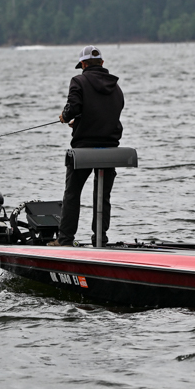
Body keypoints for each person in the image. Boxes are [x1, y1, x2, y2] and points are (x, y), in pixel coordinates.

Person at [48, 45, 124, 246]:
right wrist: (82, 121)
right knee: (103, 196)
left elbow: (73, 108)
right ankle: (100, 239)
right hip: (110, 148)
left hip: (84, 148)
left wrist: (65, 117)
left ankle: (65, 239)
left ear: (83, 64)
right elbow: (109, 113)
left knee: (72, 194)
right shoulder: (115, 86)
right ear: (102, 63)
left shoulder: (78, 81)